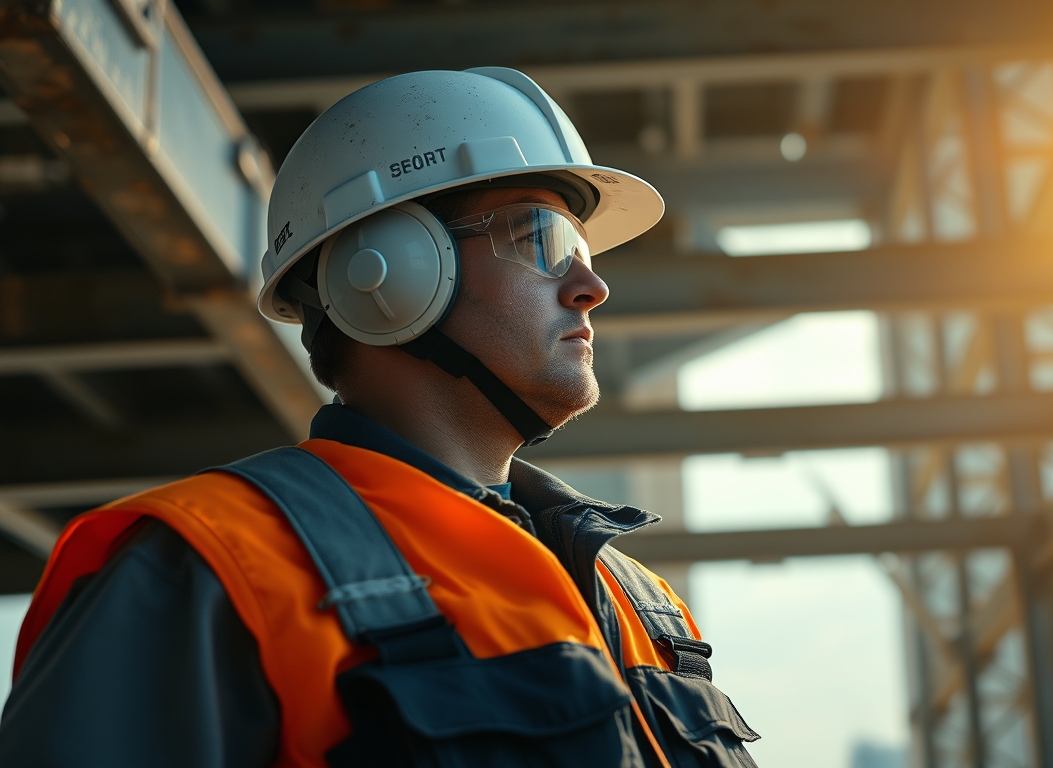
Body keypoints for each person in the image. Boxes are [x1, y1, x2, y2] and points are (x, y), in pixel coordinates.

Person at [0, 68, 758, 767]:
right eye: (543, 239)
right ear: (390, 273)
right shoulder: (210, 573)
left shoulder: (642, 605)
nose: (591, 284)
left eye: (585, 248)